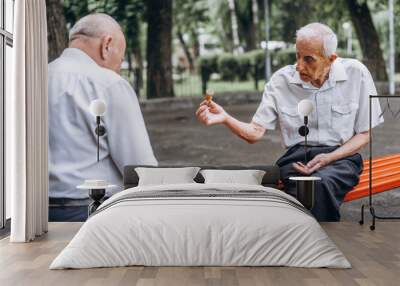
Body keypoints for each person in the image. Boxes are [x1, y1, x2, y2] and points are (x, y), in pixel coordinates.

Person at [196, 23, 384, 221]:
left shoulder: (357, 74)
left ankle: (311, 240)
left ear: (331, 59)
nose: (299, 66)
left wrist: (328, 158)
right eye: (297, 55)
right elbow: (255, 132)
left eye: (308, 59)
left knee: (320, 184)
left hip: (340, 157)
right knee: (305, 188)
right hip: (296, 159)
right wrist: (225, 118)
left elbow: (364, 134)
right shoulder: (281, 81)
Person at [48, 13, 158, 222]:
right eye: (122, 57)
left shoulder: (35, 78)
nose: (119, 65)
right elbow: (141, 169)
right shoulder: (108, 84)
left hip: (33, 212)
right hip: (95, 212)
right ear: (106, 45)